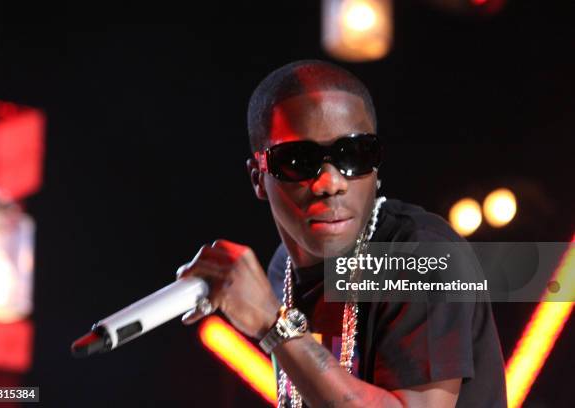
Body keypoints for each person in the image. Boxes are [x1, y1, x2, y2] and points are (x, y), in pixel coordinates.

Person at [177, 60, 507, 407]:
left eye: (354, 154)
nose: (330, 182)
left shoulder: (421, 253)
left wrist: (274, 326)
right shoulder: (282, 271)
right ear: (258, 178)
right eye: (299, 160)